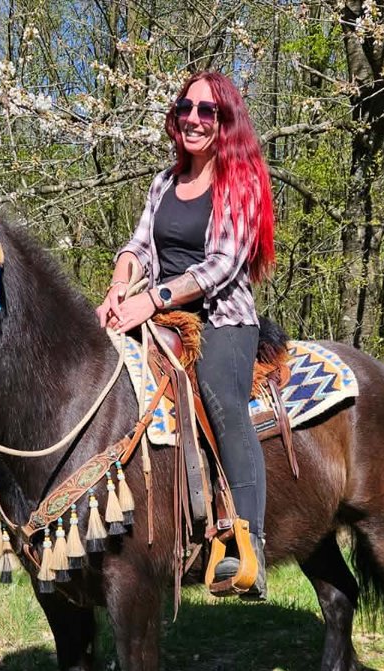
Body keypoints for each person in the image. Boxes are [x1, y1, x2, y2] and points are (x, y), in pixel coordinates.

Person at [97, 70, 275, 598]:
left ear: (226, 121)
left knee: (222, 401)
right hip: (156, 315)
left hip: (219, 320)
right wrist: (118, 288)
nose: (193, 119)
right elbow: (139, 246)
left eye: (207, 110)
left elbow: (221, 265)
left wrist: (151, 299)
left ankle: (248, 543)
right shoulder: (164, 183)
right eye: (185, 108)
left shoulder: (241, 182)